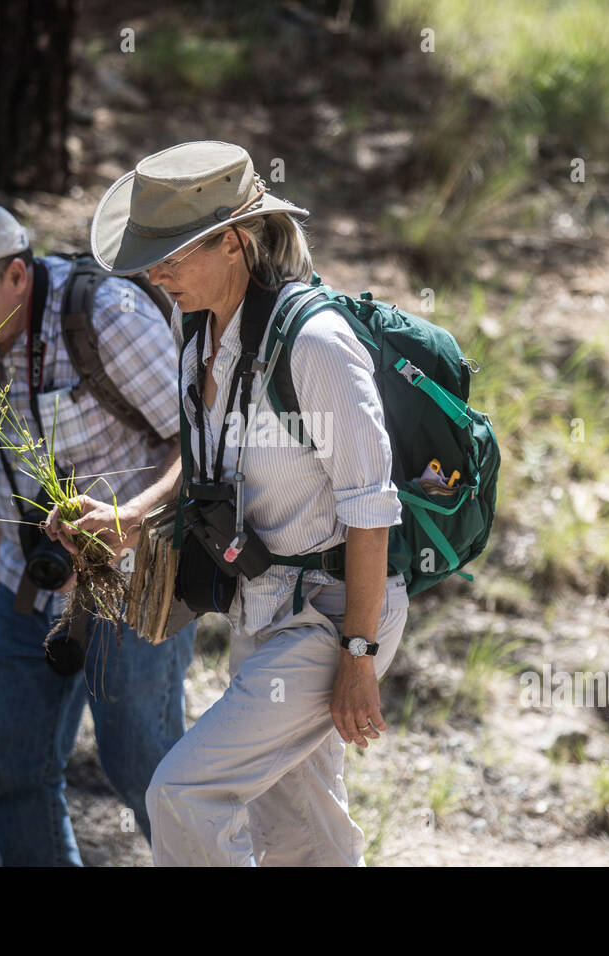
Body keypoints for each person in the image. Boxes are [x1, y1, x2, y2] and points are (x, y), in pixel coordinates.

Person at [52, 141, 409, 866]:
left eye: (174, 253)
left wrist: (359, 657)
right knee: (305, 836)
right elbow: (207, 474)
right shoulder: (197, 339)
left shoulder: (317, 344)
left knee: (181, 795)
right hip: (262, 614)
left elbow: (372, 512)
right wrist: (127, 522)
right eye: (150, 254)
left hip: (334, 616)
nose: (156, 274)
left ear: (233, 241)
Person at [0, 199, 196, 866]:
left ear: (16, 276)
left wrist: (130, 518)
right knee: (9, 772)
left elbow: (200, 443)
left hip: (136, 581)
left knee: (146, 771)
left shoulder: (107, 318)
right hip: (25, 585)